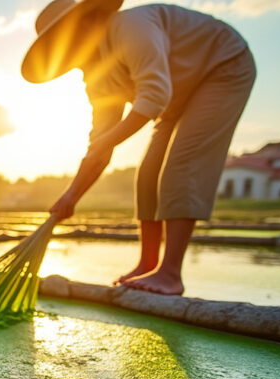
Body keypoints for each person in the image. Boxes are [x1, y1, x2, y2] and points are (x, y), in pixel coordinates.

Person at [23, 0, 255, 294]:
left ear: (84, 24)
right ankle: (148, 263)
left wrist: (105, 142)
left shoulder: (130, 27)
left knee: (181, 164)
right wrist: (71, 195)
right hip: (175, 101)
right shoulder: (97, 76)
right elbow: (101, 142)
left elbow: (154, 94)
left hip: (222, 65)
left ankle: (170, 273)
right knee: (147, 176)